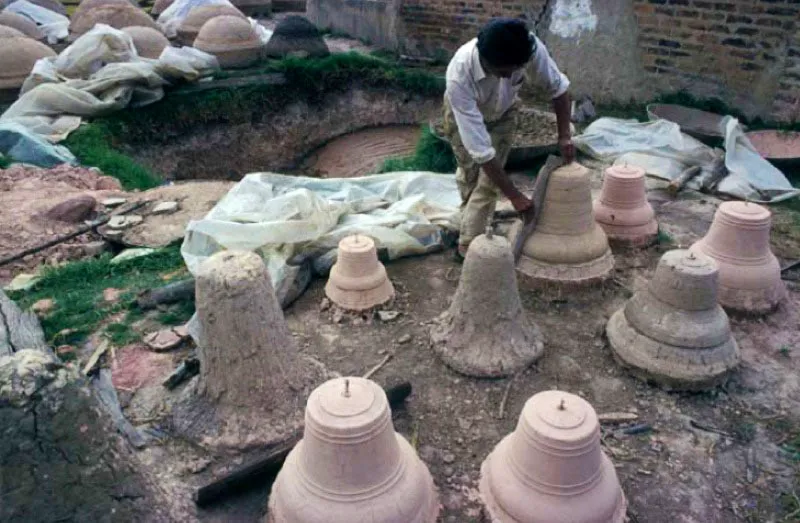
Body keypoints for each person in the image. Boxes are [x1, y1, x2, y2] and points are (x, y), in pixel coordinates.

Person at [444, 17, 574, 260]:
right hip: (464, 113)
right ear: (486, 61)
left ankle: (469, 247)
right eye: (503, 72)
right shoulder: (459, 76)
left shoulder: (528, 48)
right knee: (470, 176)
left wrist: (564, 135)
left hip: (503, 113)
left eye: (515, 70)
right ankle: (472, 220)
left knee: (488, 184)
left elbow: (559, 88)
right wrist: (515, 196)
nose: (510, 76)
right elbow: (480, 151)